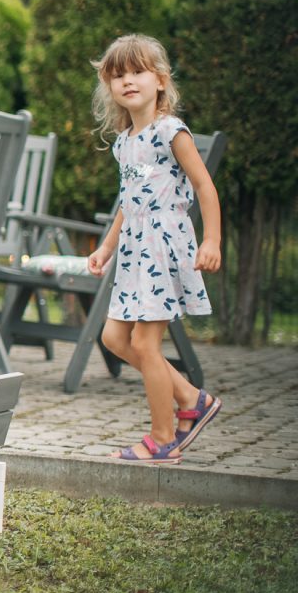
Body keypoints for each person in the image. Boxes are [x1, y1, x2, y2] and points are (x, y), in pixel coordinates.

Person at [85, 34, 223, 464]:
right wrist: (106, 247)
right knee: (113, 337)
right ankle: (189, 397)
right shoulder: (125, 142)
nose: (128, 81)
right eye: (117, 74)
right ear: (109, 86)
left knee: (145, 344)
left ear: (160, 80)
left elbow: (204, 186)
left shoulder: (170, 131)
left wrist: (212, 239)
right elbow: (128, 203)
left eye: (137, 71)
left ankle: (163, 438)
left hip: (164, 249)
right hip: (132, 252)